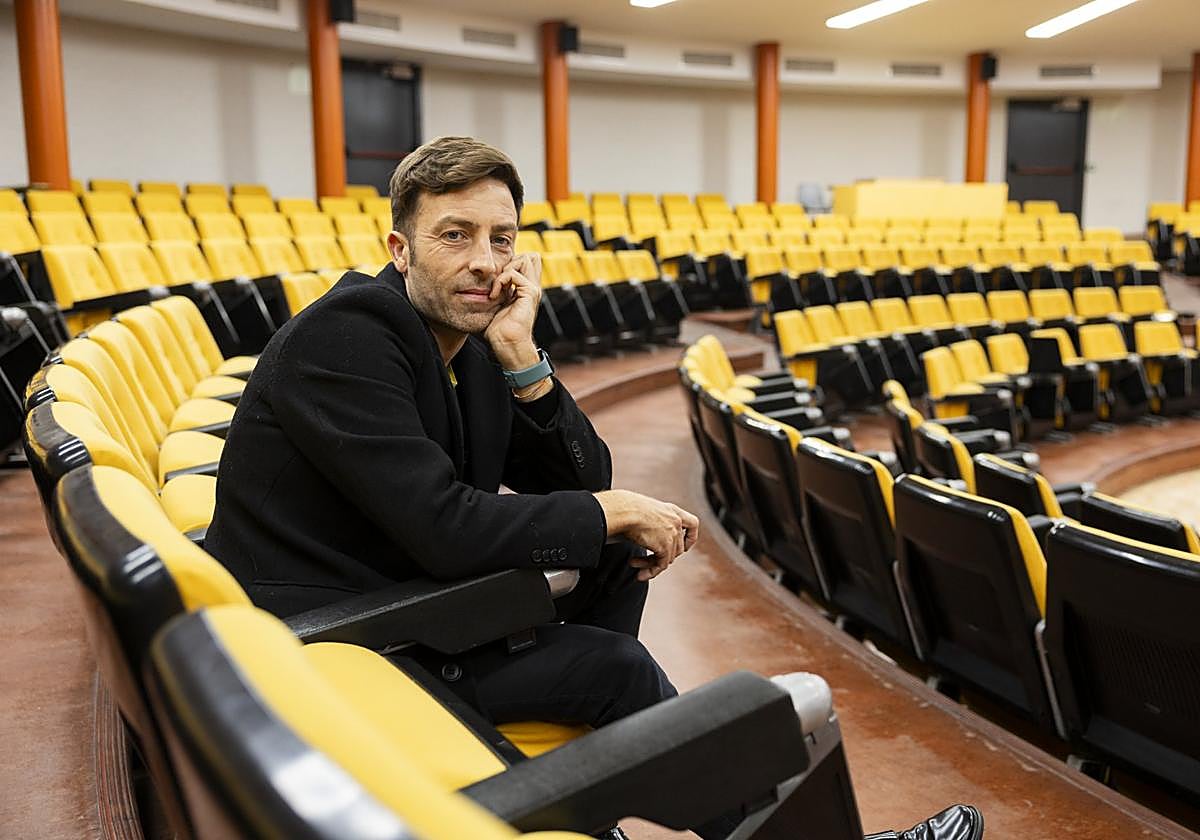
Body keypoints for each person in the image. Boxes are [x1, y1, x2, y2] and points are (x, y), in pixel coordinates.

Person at [205, 135, 981, 840]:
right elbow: (444, 526)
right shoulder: (346, 338)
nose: (485, 260)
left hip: (406, 599)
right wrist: (607, 512)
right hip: (342, 638)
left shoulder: (470, 342)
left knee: (610, 554)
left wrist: (523, 360)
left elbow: (585, 478)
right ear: (399, 250)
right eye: (456, 236)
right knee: (616, 668)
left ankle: (595, 780)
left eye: (501, 239)